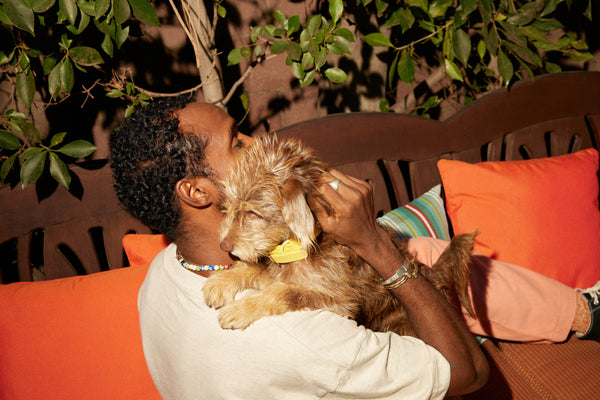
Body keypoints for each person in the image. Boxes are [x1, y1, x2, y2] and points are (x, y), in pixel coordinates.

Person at [109, 96, 599, 400]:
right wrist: (376, 245)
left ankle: (580, 309)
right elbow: (467, 374)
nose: (256, 143)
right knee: (407, 254)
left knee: (421, 250)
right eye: (236, 143)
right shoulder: (299, 339)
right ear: (196, 192)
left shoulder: (163, 274)